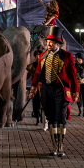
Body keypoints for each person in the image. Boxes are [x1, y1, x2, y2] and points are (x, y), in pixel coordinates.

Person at [28, 27, 78, 157]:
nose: (48, 44)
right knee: (50, 118)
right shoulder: (43, 56)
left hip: (60, 90)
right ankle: (54, 145)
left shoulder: (67, 56)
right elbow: (37, 74)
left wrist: (75, 92)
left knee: (60, 118)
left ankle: (61, 146)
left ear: (58, 44)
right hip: (46, 90)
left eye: (51, 42)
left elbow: (73, 75)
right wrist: (33, 89)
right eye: (48, 41)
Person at [27, 50, 41, 125]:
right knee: (35, 104)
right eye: (36, 56)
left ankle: (43, 118)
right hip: (34, 87)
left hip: (43, 87)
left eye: (39, 55)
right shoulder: (32, 66)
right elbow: (28, 76)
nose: (37, 57)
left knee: (43, 104)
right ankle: (37, 118)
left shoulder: (44, 65)